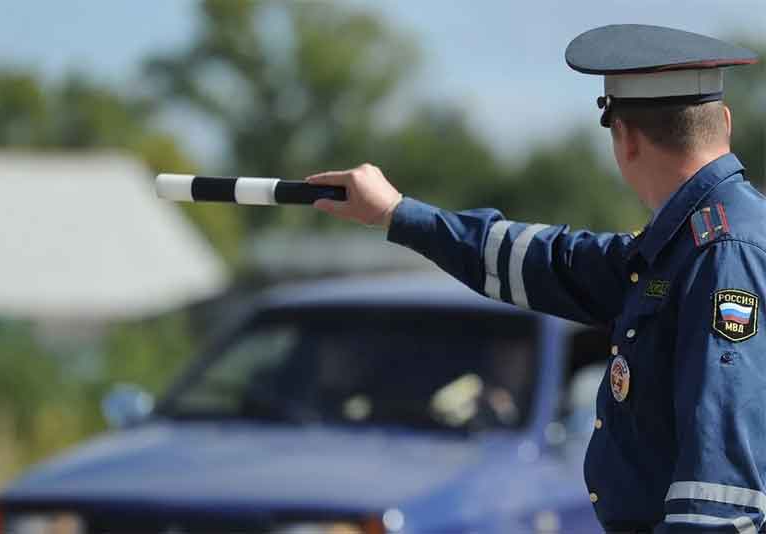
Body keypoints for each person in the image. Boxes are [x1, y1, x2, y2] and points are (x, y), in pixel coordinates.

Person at [305, 25, 763, 534]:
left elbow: (720, 499)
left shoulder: (720, 252)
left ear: (626, 138)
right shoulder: (686, 245)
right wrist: (396, 213)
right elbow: (550, 261)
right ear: (723, 121)